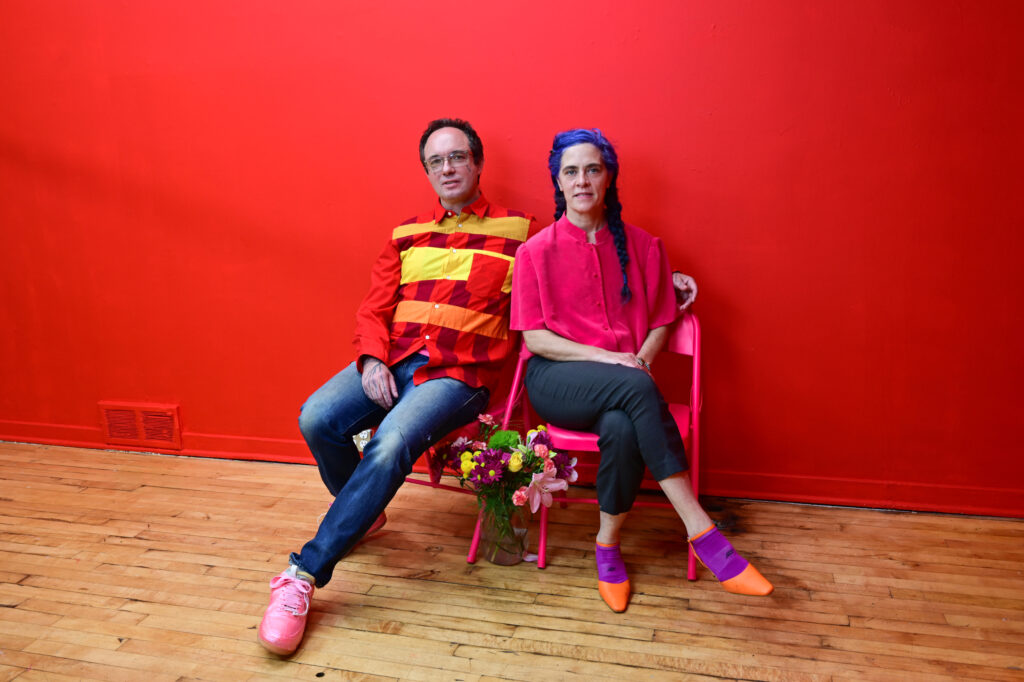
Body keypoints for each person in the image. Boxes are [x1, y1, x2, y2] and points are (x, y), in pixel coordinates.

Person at [257, 118, 537, 655]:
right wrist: (370, 359)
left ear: (478, 163)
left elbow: (573, 264)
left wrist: (656, 280)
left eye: (457, 157)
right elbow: (374, 308)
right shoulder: (405, 233)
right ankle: (364, 511)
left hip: (461, 372)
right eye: (437, 161)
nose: (448, 168)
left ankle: (302, 575)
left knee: (389, 443)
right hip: (396, 358)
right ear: (427, 172)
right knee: (317, 417)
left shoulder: (521, 230)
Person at [510, 128, 772, 613]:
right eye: (572, 171)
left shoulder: (645, 246)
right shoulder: (534, 253)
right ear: (558, 183)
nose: (583, 180)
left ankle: (607, 547)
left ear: (609, 178)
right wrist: (611, 360)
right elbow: (534, 339)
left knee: (622, 425)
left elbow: (662, 321)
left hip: (627, 386)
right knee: (632, 390)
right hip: (557, 380)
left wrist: (640, 361)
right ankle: (702, 531)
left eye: (593, 169)